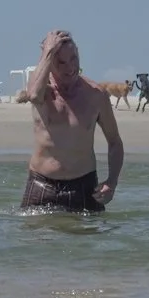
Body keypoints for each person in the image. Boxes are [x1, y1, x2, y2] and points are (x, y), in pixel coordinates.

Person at [14, 30, 125, 212]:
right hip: (42, 184)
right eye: (61, 62)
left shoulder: (96, 95)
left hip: (84, 186)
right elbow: (33, 94)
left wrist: (112, 182)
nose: (70, 67)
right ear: (49, 61)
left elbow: (114, 141)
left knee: (86, 240)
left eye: (73, 58)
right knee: (35, 240)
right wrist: (48, 50)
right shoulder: (43, 91)